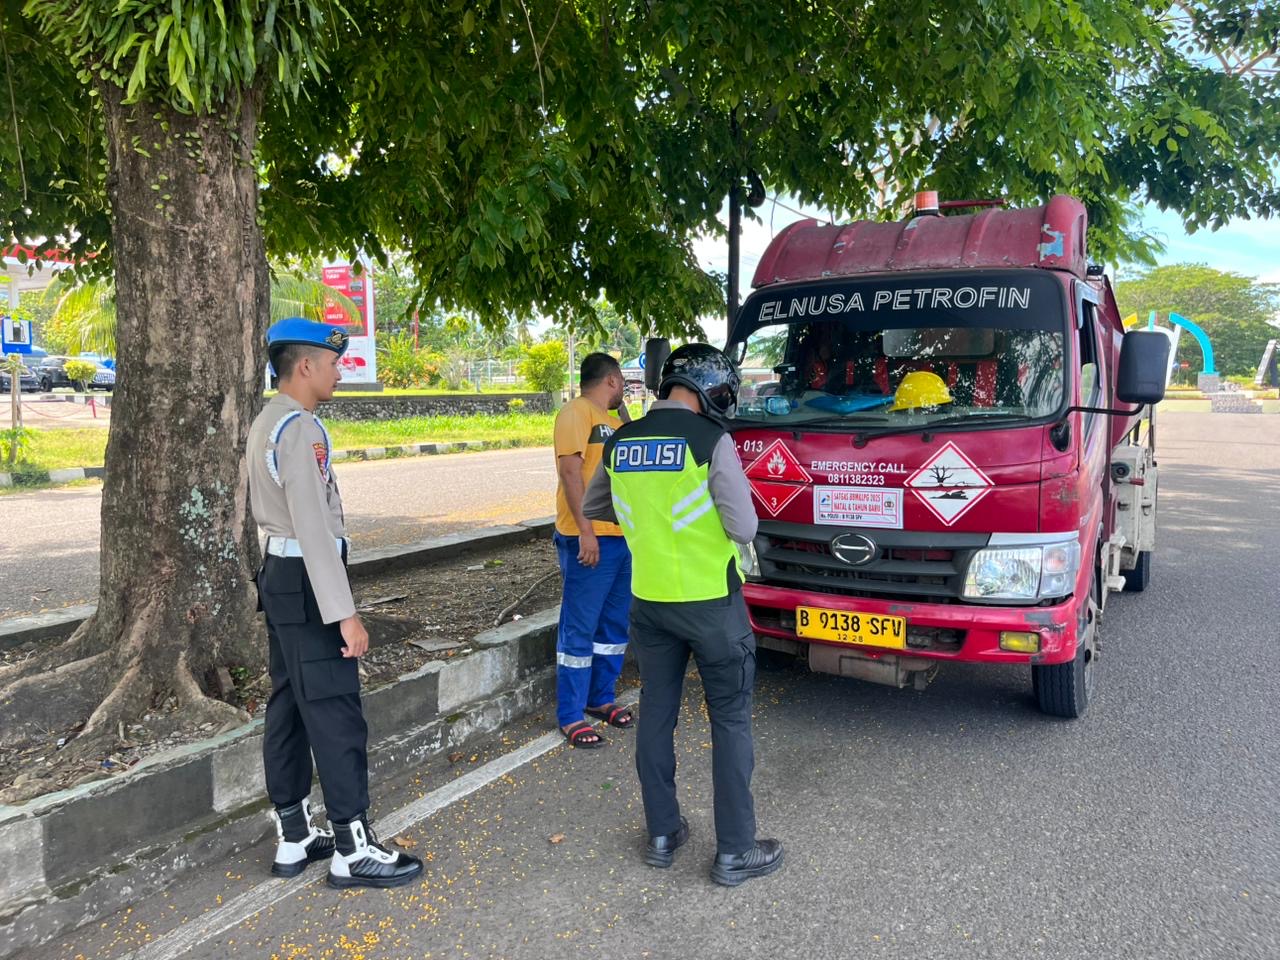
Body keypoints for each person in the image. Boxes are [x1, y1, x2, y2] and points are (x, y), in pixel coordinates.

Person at [582, 343, 784, 887]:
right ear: (712, 391)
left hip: (650, 604)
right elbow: (743, 528)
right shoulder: (711, 440)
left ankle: (663, 834)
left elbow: (595, 507)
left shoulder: (622, 440)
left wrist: (648, 518)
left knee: (656, 713)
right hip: (711, 605)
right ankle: (736, 850)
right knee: (730, 721)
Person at [247, 317, 422, 889]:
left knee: (290, 705)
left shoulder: (266, 421)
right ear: (305, 366)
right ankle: (352, 845)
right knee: (335, 710)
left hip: (280, 576)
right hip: (307, 577)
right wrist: (345, 613)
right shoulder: (301, 428)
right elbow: (314, 527)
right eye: (332, 363)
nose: (339, 373)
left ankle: (294, 833)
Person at [552, 352, 634, 748]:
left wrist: (627, 418)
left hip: (620, 538)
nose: (624, 390)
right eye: (623, 383)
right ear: (612, 379)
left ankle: (600, 697)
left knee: (613, 626)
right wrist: (586, 531)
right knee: (580, 626)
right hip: (588, 538)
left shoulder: (615, 421)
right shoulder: (576, 412)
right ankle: (570, 715)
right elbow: (570, 472)